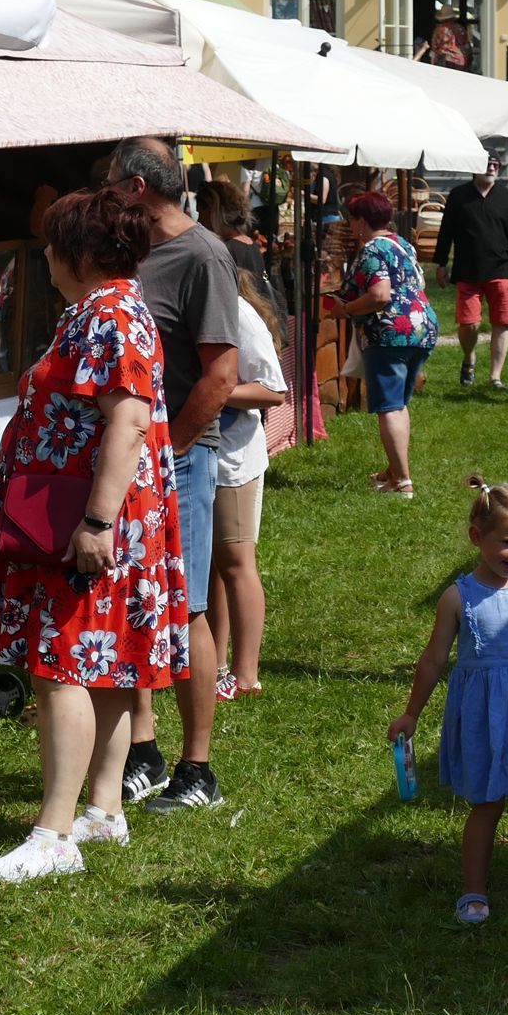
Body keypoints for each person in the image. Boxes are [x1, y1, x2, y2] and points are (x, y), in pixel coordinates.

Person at [0, 188, 189, 882]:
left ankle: (55, 832)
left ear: (85, 253)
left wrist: (96, 520)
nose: (45, 255)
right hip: (110, 516)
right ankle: (103, 809)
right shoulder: (110, 309)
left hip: (90, 523)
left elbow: (124, 420)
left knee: (60, 664)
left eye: (54, 243)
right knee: (108, 663)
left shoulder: (110, 314)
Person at [106, 138, 240, 815]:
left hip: (181, 457)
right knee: (135, 597)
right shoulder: (130, 251)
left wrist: (171, 449)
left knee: (184, 606)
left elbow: (221, 375)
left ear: (136, 185)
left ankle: (199, 768)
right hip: (137, 456)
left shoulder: (203, 255)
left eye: (110, 185)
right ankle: (145, 751)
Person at [388, 467, 508, 926]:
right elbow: (433, 659)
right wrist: (412, 712)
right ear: (477, 537)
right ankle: (473, 889)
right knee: (486, 804)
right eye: (507, 542)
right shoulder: (458, 597)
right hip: (481, 714)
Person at [209, 274, 288, 700]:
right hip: (199, 455)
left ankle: (246, 674)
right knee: (208, 567)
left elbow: (273, 389)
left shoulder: (238, 314)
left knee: (236, 562)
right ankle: (215, 664)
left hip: (234, 457)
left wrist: (216, 393)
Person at [333, 190, 438, 496]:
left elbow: (380, 295)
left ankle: (402, 482)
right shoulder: (401, 243)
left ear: (362, 221)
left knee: (389, 407)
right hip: (420, 328)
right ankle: (394, 471)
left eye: (352, 220)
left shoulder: (372, 249)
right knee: (399, 405)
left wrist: (346, 309)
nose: (351, 226)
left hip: (390, 333)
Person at [436, 155, 508, 389]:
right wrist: (441, 263)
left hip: (502, 270)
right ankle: (469, 358)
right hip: (467, 271)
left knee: (502, 323)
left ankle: (495, 376)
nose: (493, 168)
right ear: (473, 167)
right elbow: (446, 232)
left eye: (496, 164)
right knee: (469, 324)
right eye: (488, 164)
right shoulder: (458, 196)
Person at [417, 0, 471, 71]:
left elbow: (434, 47)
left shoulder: (439, 29)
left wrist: (432, 62)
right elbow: (466, 45)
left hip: (444, 61)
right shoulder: (460, 28)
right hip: (460, 61)